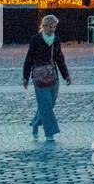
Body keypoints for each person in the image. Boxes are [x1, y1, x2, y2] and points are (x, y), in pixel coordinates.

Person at [22, 14, 71, 142]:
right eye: (50, 26)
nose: (53, 29)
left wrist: (66, 75)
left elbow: (59, 58)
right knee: (45, 105)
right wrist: (25, 77)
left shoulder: (56, 40)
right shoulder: (36, 39)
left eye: (54, 27)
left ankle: (35, 123)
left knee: (49, 104)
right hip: (38, 76)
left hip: (53, 76)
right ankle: (50, 133)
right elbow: (29, 58)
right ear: (43, 26)